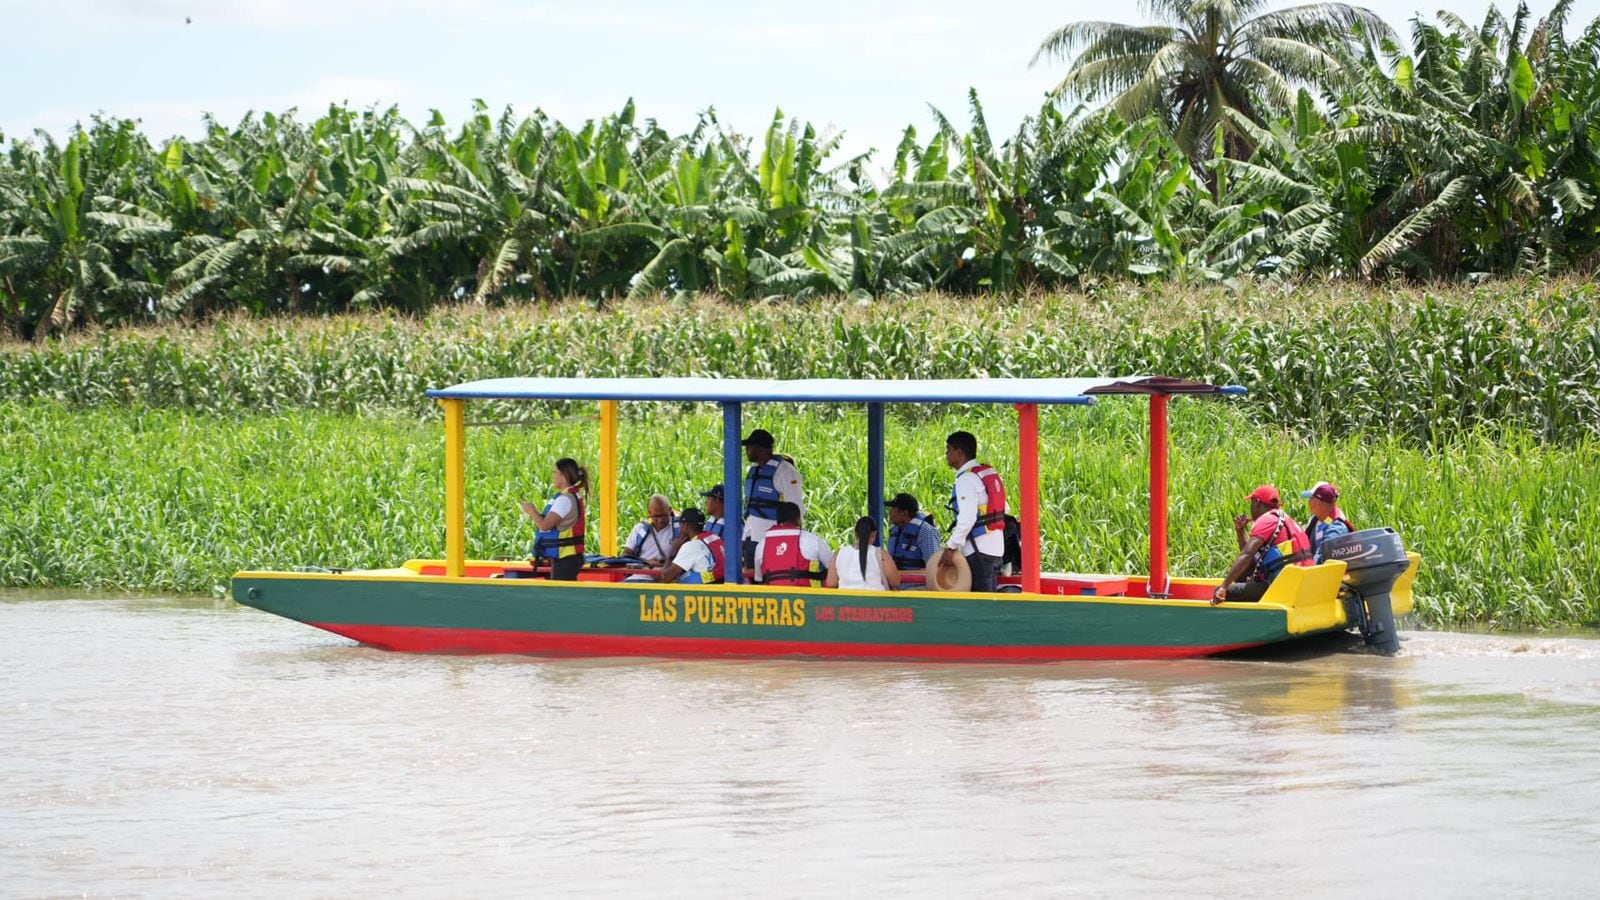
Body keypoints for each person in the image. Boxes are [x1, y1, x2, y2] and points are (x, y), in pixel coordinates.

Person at [1212, 485, 1314, 605]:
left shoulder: (1266, 520)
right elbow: (1251, 557)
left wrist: (1223, 587)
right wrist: (1241, 530)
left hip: (1281, 587)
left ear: (1257, 503)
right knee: (1243, 574)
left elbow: (1247, 555)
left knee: (1226, 592)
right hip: (1301, 583)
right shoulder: (1288, 520)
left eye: (1252, 502)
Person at [941, 431, 1009, 593]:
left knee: (980, 609)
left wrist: (951, 547)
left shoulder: (966, 479)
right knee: (989, 603)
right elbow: (1005, 508)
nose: (946, 454)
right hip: (996, 550)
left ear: (959, 452)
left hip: (978, 552)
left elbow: (967, 518)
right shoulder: (986, 474)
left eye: (948, 450)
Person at [741, 429, 804, 567]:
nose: (747, 450)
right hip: (750, 534)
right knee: (751, 575)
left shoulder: (785, 471)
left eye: (749, 446)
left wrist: (793, 537)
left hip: (771, 536)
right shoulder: (755, 469)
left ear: (760, 449)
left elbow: (796, 507)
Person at [518, 457, 588, 581]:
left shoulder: (565, 499)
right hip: (568, 557)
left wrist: (531, 511)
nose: (553, 476)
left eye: (555, 472)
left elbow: (545, 526)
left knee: (561, 597)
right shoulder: (572, 495)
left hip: (565, 557)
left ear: (564, 476)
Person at [754, 501, 832, 586]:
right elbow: (834, 568)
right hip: (809, 598)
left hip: (774, 597)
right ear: (798, 519)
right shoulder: (813, 540)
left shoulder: (761, 545)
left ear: (777, 520)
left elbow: (759, 578)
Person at [826, 516, 901, 591]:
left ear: (855, 533)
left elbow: (831, 583)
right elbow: (895, 582)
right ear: (874, 534)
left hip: (845, 601)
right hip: (875, 601)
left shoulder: (839, 553)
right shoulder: (880, 553)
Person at [655, 508, 727, 585]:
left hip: (705, 591)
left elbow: (665, 578)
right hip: (721, 585)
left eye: (680, 524)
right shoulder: (713, 536)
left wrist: (673, 551)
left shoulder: (691, 546)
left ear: (685, 525)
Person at [885, 493, 939, 570]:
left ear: (904, 513)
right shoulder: (894, 530)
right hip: (895, 579)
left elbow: (934, 567)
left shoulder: (926, 531)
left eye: (893, 510)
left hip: (917, 581)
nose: (890, 514)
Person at [1302, 481, 1353, 563]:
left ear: (1319, 504)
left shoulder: (1337, 529)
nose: (1308, 502)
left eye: (1310, 498)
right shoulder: (1317, 519)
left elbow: (1323, 558)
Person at [621, 494, 678, 565]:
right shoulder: (639, 529)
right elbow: (625, 555)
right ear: (649, 513)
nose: (660, 520)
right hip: (641, 573)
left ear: (670, 510)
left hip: (671, 574)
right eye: (656, 516)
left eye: (663, 515)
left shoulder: (680, 528)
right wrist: (646, 562)